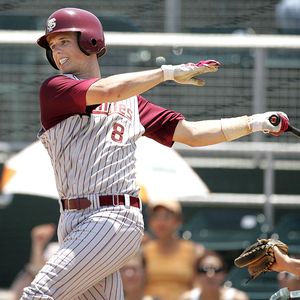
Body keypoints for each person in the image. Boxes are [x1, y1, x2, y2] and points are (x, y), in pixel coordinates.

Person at [20, 6, 289, 300]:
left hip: (113, 217)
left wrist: (255, 122)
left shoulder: (132, 103)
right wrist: (169, 73)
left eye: (64, 41)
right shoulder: (55, 88)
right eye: (53, 45)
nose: (57, 51)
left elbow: (193, 134)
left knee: (38, 294)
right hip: (72, 220)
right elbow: (108, 91)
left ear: (91, 41)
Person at [142, 199, 205, 300]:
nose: (161, 222)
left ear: (178, 221)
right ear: (150, 222)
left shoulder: (193, 251)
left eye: (166, 216)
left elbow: (199, 286)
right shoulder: (144, 251)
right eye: (156, 216)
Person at [10, 224, 58, 300]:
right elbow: (37, 270)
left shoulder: (68, 248)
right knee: (27, 275)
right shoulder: (54, 247)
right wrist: (38, 243)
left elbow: (41, 273)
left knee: (29, 276)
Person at [180, 250, 249, 300]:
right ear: (196, 275)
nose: (210, 275)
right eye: (204, 271)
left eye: (216, 270)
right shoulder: (187, 298)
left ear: (224, 274)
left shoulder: (237, 298)